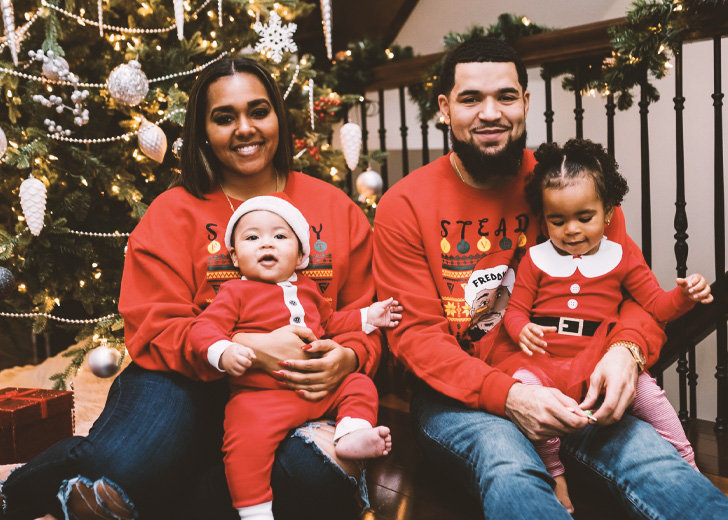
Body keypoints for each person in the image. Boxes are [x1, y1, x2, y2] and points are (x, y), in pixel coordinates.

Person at [2, 56, 382, 520]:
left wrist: (350, 356)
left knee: (312, 477)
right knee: (118, 466)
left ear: (279, 117)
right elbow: (152, 327)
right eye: (225, 117)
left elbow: (366, 317)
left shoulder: (336, 208)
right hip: (181, 381)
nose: (245, 128)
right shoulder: (172, 211)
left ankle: (164, 477)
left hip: (287, 393)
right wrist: (241, 344)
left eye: (258, 111)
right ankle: (18, 489)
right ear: (203, 130)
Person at [373, 36, 728, 519]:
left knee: (656, 463)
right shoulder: (404, 204)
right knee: (507, 464)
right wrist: (511, 395)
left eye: (505, 95)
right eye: (471, 98)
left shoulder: (571, 183)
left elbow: (632, 295)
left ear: (524, 101)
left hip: (576, 378)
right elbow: (414, 336)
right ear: (445, 108)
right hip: (461, 397)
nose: (490, 112)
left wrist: (627, 350)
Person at [492, 138, 710, 512]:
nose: (571, 230)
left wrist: (686, 296)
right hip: (542, 360)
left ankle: (688, 464)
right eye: (557, 220)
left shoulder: (621, 256)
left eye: (584, 217)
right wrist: (519, 329)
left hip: (595, 357)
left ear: (607, 211)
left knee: (646, 391)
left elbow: (657, 306)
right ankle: (554, 472)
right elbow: (514, 311)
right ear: (543, 219)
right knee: (529, 391)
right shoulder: (535, 259)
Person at [188, 194, 396, 520]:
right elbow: (204, 328)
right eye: (252, 237)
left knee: (358, 384)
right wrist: (224, 350)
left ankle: (350, 433)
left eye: (280, 237)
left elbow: (330, 322)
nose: (266, 244)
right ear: (233, 255)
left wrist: (368, 316)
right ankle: (255, 511)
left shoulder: (309, 288)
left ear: (300, 256)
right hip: (263, 398)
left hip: (318, 389)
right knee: (244, 445)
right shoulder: (235, 292)